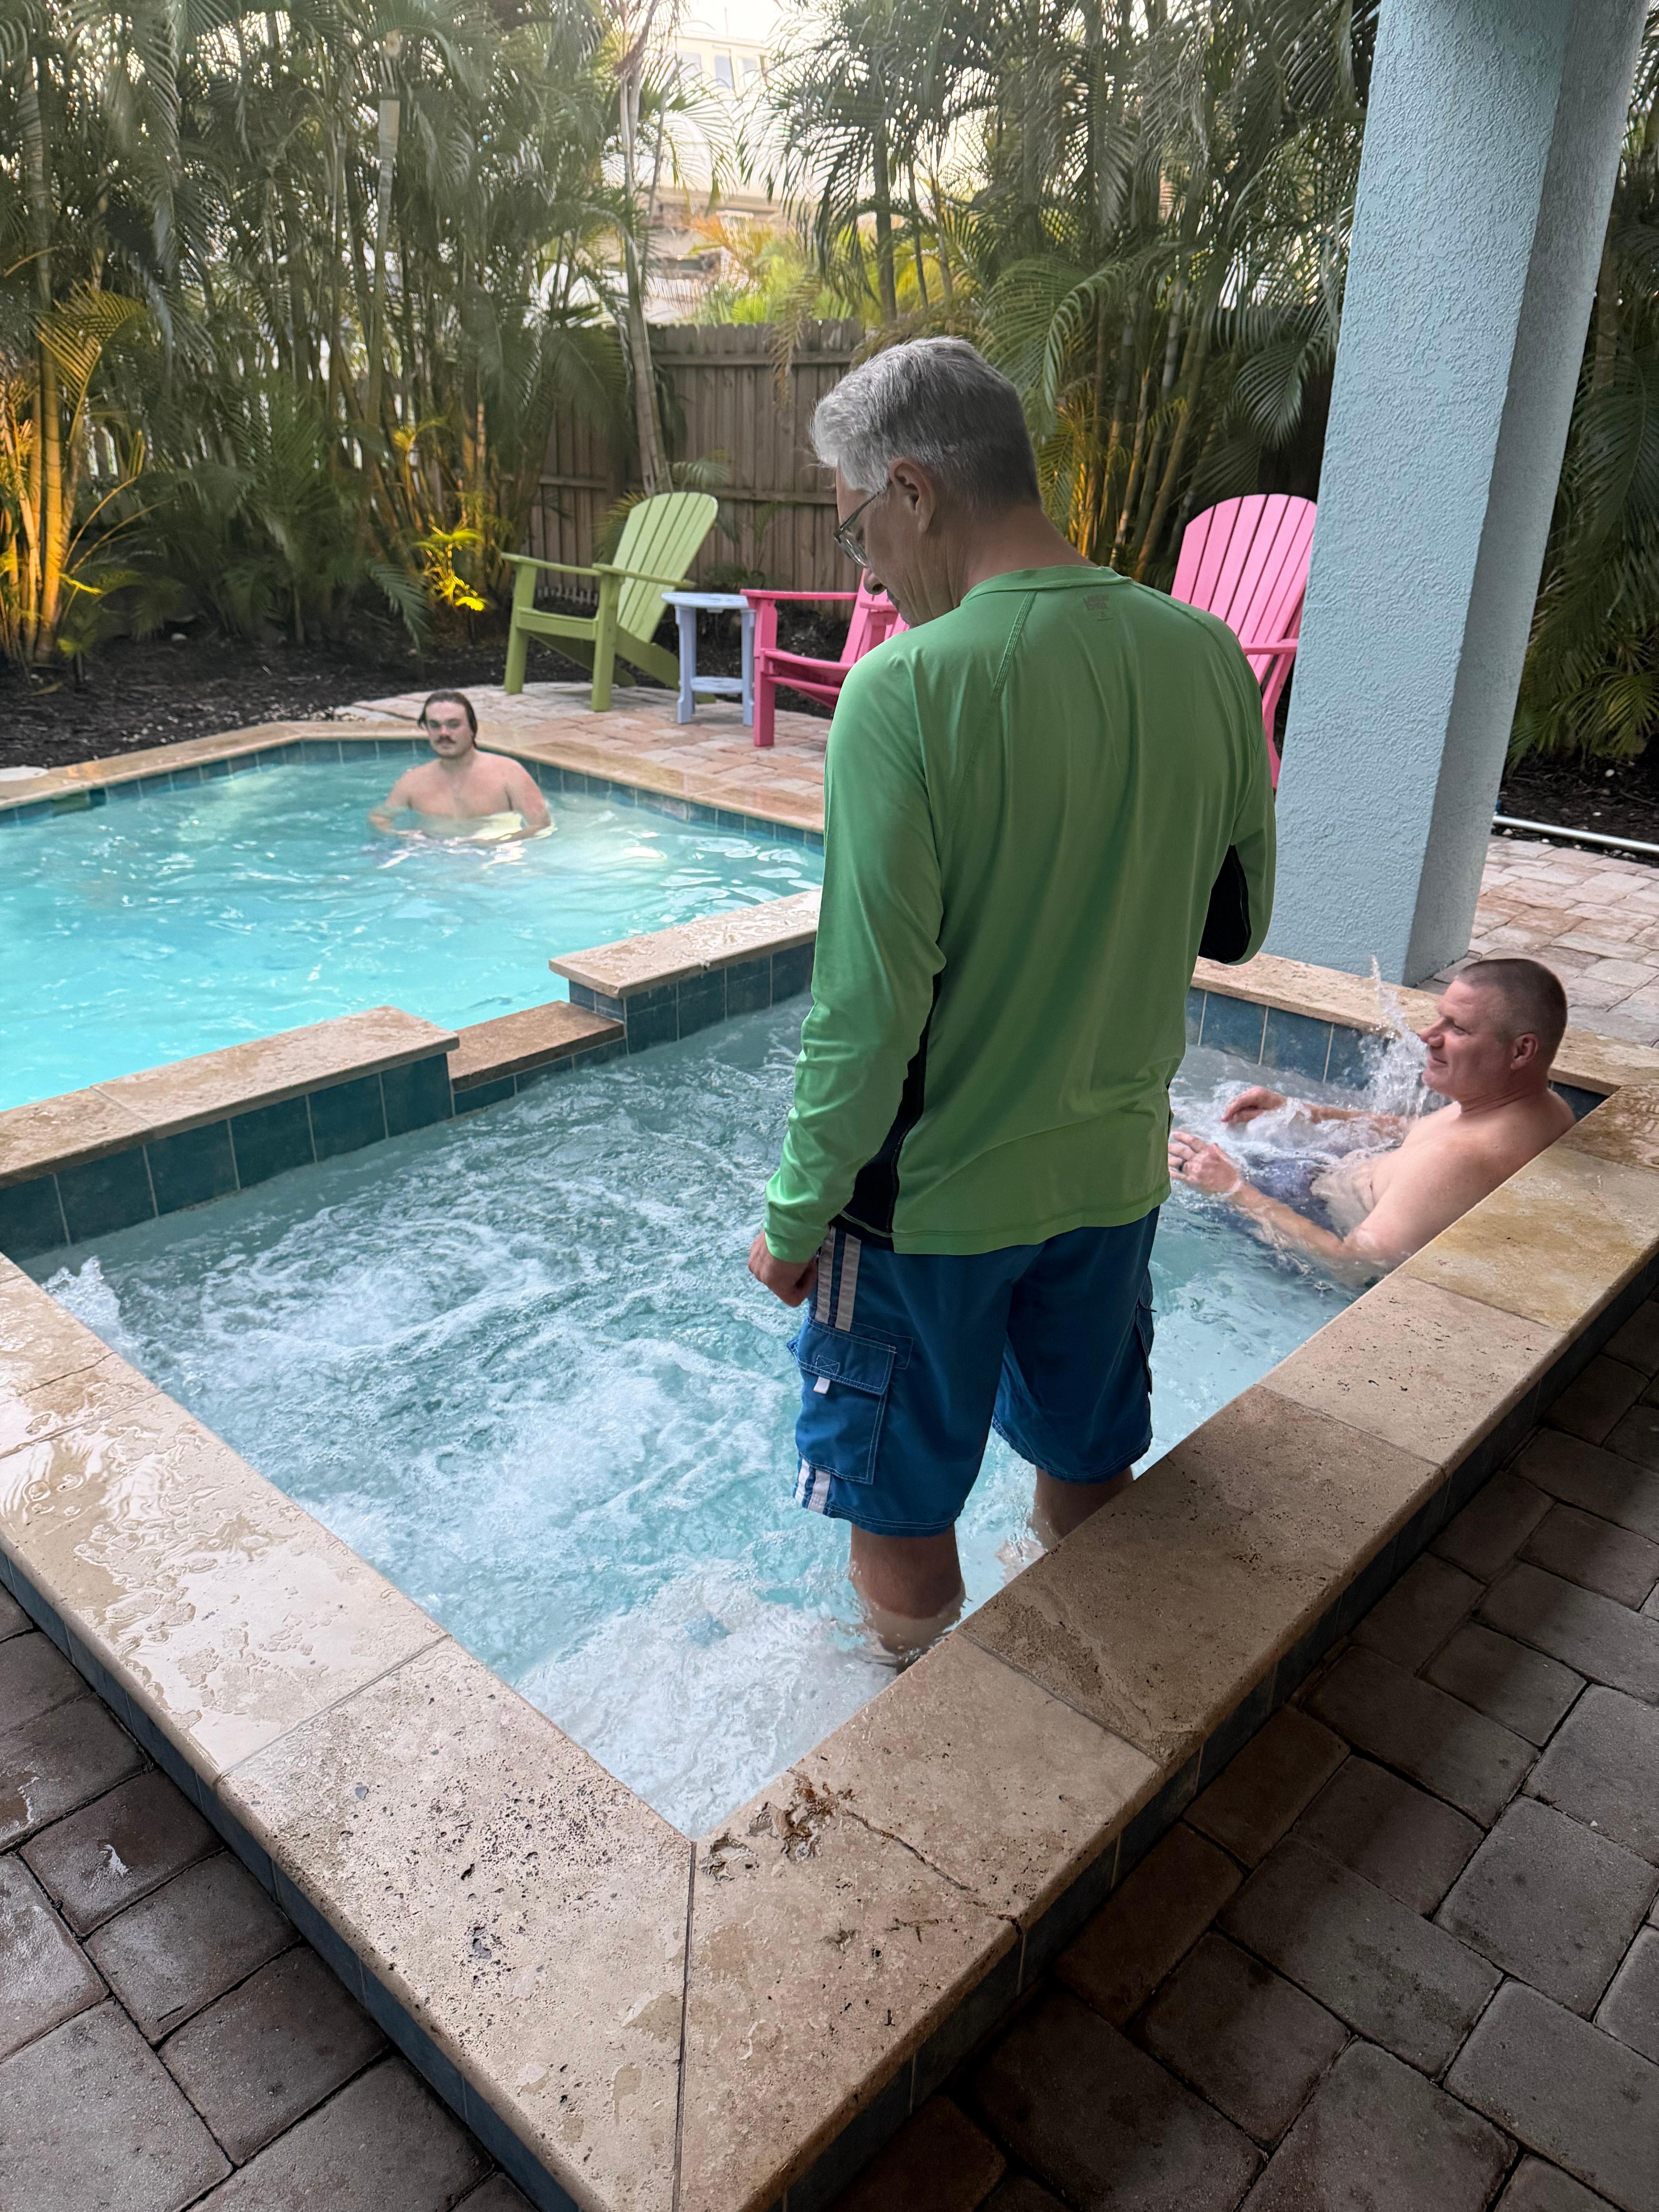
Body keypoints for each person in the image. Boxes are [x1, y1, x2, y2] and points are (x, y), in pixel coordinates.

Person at [744, 337, 1276, 1656]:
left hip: (928, 1209)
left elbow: (864, 1018)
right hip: (1109, 1178)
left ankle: (921, 1741)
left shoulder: (903, 692)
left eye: (855, 525)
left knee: (898, 1507)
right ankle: (1086, 1705)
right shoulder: (1208, 655)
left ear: (913, 489)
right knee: (1088, 1462)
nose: (862, 564)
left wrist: (792, 1217)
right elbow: (1240, 926)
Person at [1168, 958, 1574, 1273]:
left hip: (1310, 1223)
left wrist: (1233, 1189)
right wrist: (1306, 1113)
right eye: (1439, 1018)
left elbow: (1352, 1265)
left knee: (1164, 1176)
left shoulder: (1459, 1161)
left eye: (1458, 1029)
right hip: (1324, 1187)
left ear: (1522, 1051)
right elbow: (1417, 1132)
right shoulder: (1533, 1107)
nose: (1429, 1037)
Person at [369, 690, 550, 838]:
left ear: (472, 728)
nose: (444, 733)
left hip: (497, 866)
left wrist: (500, 844)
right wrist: (405, 838)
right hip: (435, 865)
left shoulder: (509, 774)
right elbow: (379, 817)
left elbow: (541, 826)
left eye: (454, 725)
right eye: (435, 725)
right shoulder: (412, 783)